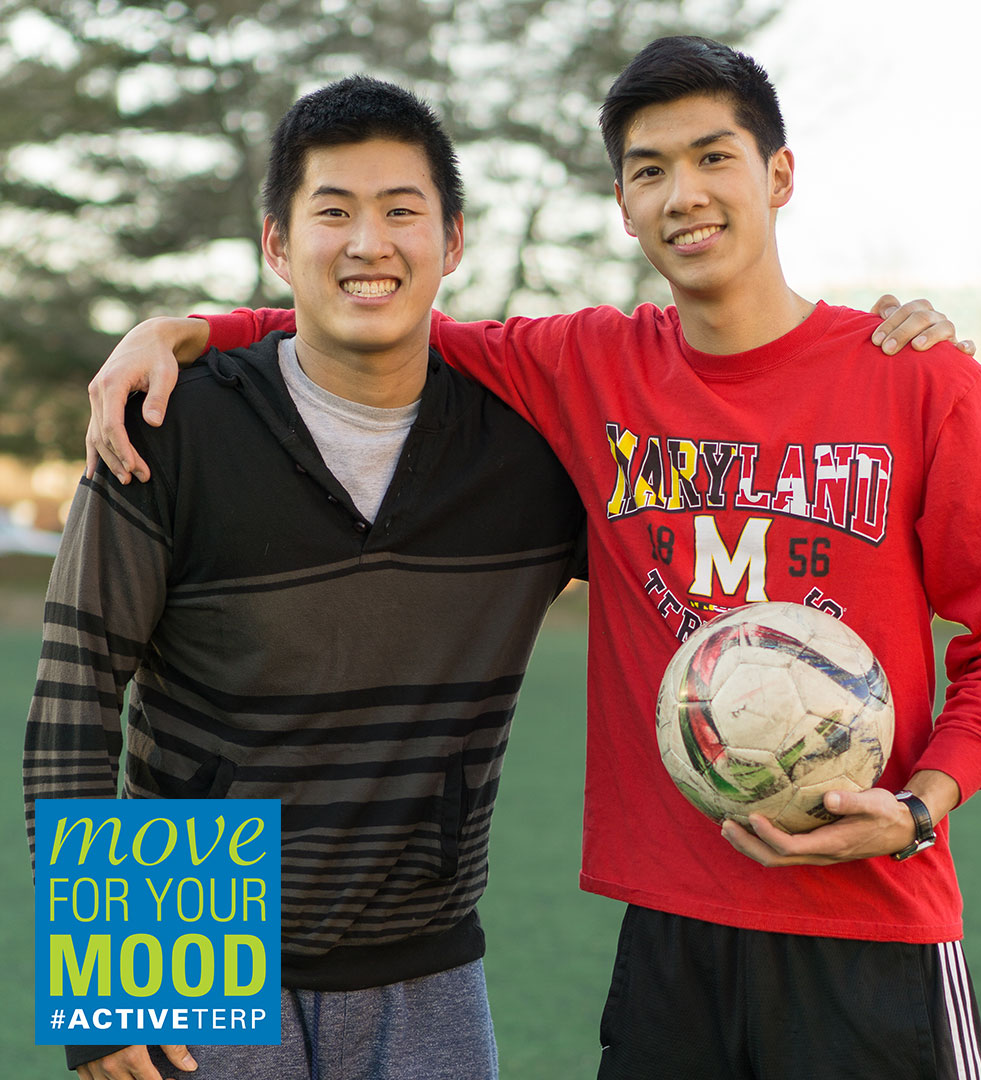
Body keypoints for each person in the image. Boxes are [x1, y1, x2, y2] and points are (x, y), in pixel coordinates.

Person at [82, 38, 981, 1080]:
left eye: (712, 157)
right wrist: (186, 328)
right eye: (650, 170)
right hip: (668, 941)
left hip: (872, 936)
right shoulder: (588, 365)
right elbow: (375, 324)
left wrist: (920, 807)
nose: (683, 193)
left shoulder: (918, 381)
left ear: (779, 175)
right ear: (623, 204)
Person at [24, 75, 586, 1080]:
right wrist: (105, 989)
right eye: (334, 212)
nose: (369, 243)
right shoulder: (171, 426)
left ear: (452, 242)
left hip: (428, 951)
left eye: (401, 212)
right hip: (191, 931)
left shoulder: (531, 457)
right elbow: (74, 698)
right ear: (279, 244)